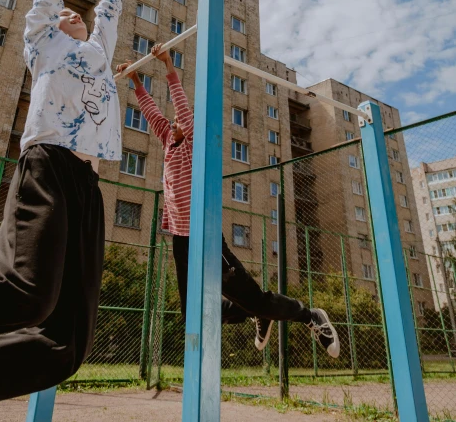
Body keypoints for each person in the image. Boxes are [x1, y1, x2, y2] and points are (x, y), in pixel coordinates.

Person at [0, 0, 122, 418]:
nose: (71, 14)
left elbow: (111, 6)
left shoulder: (98, 52)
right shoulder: (43, 46)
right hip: (50, 164)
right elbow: (45, 1)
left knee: (65, 344)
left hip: (88, 186)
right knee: (24, 294)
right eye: (63, 15)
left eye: (78, 14)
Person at [117, 45, 340, 358]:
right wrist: (136, 81)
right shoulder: (168, 140)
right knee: (192, 314)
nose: (173, 122)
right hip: (181, 240)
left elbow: (180, 105)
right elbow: (152, 112)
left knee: (257, 298)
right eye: (172, 123)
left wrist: (168, 64)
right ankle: (255, 314)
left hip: (205, 237)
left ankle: (310, 316)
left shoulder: (192, 142)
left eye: (179, 120)